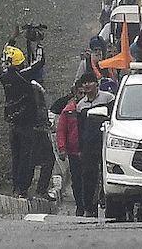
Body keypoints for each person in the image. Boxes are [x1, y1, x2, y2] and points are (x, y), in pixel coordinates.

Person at [1, 45, 42, 196]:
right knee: (26, 155)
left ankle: (15, 186)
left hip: (12, 122)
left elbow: (5, 57)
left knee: (16, 156)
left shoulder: (4, 77)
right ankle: (22, 187)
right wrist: (39, 45)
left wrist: (11, 41)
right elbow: (39, 63)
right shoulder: (23, 76)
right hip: (26, 122)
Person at [76, 73, 114, 216]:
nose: (87, 85)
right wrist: (80, 148)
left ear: (96, 83)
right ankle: (89, 207)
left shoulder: (108, 98)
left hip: (105, 141)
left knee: (107, 172)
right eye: (84, 83)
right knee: (88, 175)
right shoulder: (81, 105)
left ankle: (109, 202)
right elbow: (80, 128)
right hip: (88, 144)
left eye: (90, 82)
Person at [56, 83, 85, 215]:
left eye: (85, 93)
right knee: (77, 179)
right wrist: (62, 149)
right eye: (80, 93)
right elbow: (61, 131)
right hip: (74, 152)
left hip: (90, 152)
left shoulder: (92, 109)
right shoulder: (68, 111)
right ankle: (80, 205)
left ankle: (90, 204)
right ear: (75, 94)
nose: (83, 96)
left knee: (91, 179)